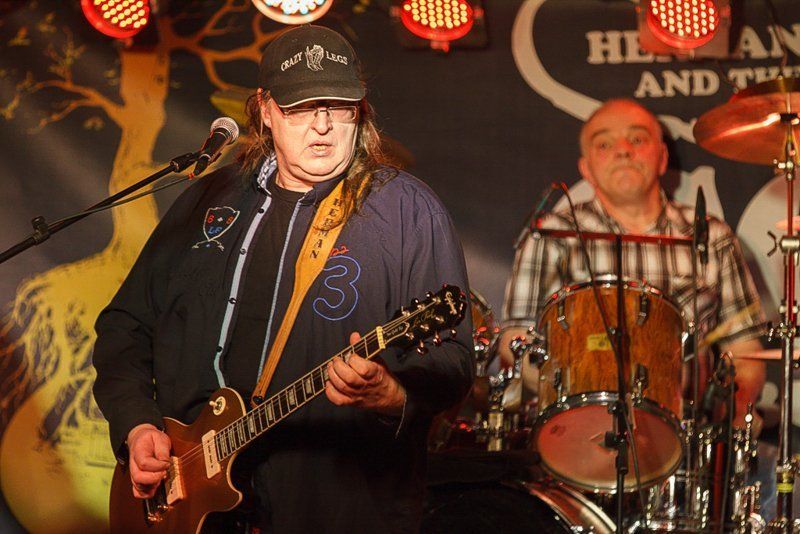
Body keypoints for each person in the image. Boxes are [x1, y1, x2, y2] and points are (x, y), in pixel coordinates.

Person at [92, 25, 474, 533]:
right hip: (187, 503)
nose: (323, 126)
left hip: (334, 507)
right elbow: (126, 325)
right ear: (265, 110)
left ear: (360, 111)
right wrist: (137, 423)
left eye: (338, 107)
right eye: (301, 108)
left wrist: (392, 394)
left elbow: (453, 358)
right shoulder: (209, 199)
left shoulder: (407, 210)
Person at [500, 98, 766, 433]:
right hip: (574, 432)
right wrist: (564, 392)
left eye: (637, 139)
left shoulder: (711, 236)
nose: (623, 151)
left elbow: (744, 350)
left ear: (662, 157)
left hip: (687, 434)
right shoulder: (552, 234)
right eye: (604, 144)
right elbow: (515, 340)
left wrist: (736, 410)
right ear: (586, 168)